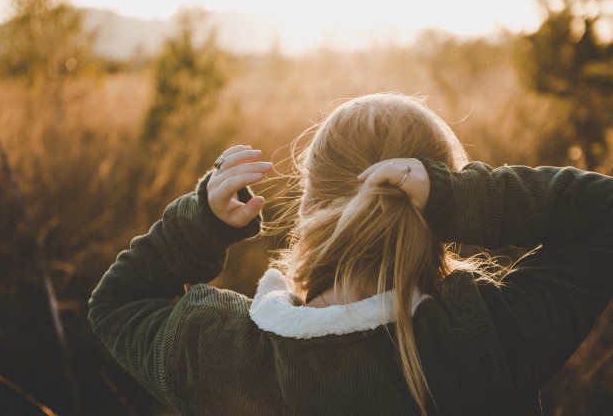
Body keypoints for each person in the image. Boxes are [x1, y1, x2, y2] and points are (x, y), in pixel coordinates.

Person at [89, 93, 613, 415]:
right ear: (433, 211)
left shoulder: (220, 351)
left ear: (311, 203)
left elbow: (116, 304)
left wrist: (198, 225)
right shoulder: (489, 338)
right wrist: (456, 197)